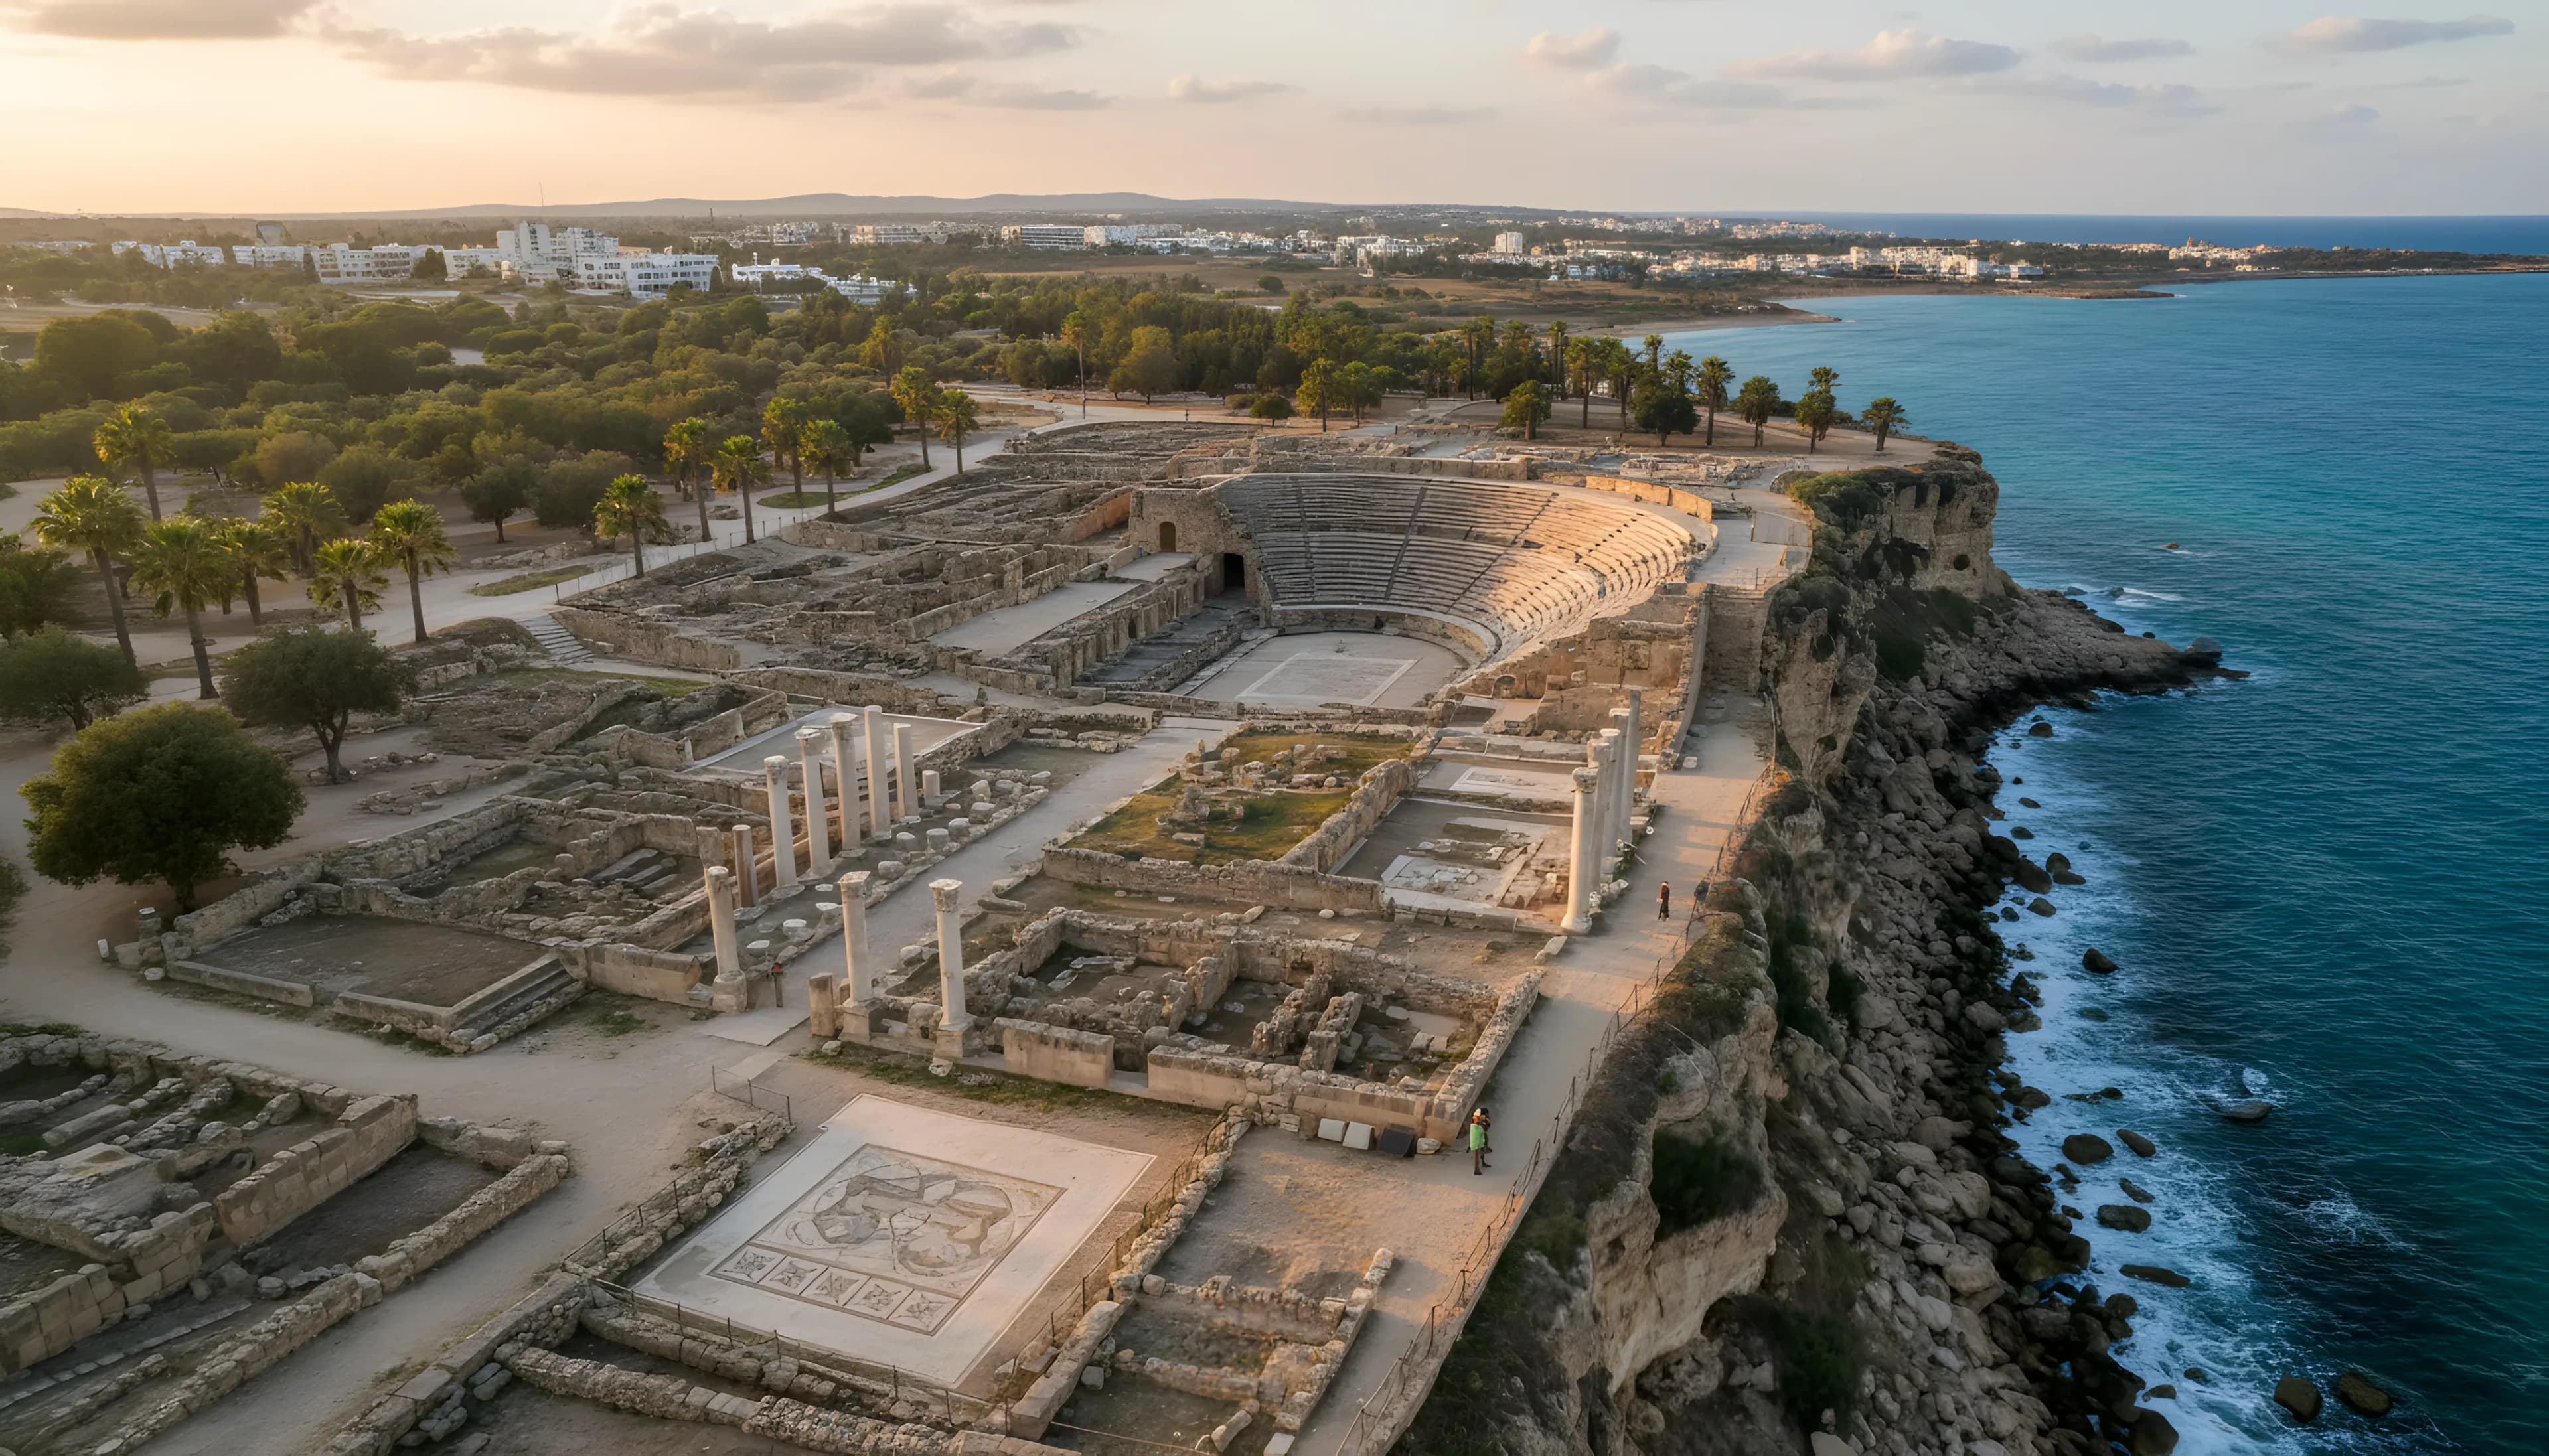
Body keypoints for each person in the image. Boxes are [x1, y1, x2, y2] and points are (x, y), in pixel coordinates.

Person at [1468, 1106, 1492, 1175]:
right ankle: (1476, 1169)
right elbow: (1484, 1127)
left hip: (1479, 1135)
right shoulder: (1480, 1119)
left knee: (1480, 1150)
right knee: (1477, 1153)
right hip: (1477, 1136)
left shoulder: (1476, 1118)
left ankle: (1482, 1163)